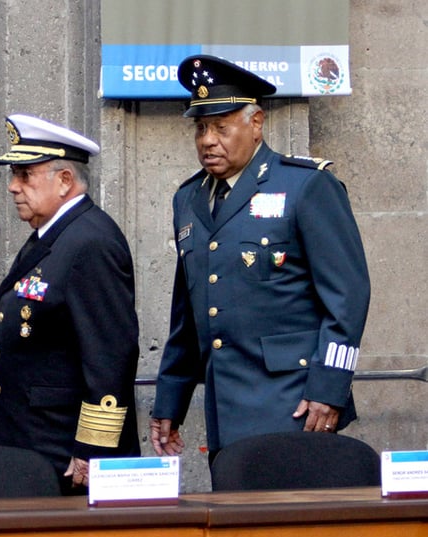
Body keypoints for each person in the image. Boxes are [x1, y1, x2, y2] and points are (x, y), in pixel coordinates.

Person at [150, 55, 371, 470]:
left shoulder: (305, 186)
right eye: (200, 128)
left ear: (255, 124)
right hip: (226, 410)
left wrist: (330, 387)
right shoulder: (189, 198)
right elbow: (190, 312)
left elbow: (348, 296)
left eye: (220, 126)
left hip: (295, 404)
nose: (208, 140)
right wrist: (170, 400)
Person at [0, 114, 141, 494]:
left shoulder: (90, 242)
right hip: (35, 441)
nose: (12, 187)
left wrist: (92, 449)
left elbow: (110, 355)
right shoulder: (54, 234)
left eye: (25, 175)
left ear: (65, 181)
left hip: (66, 453)